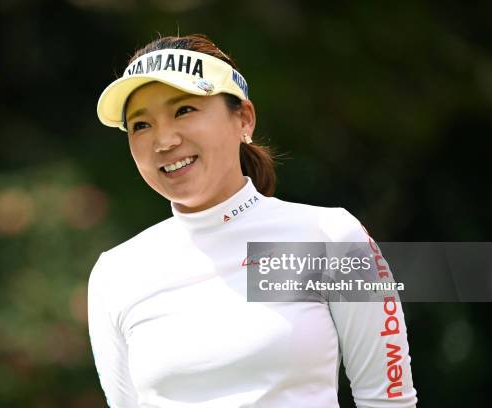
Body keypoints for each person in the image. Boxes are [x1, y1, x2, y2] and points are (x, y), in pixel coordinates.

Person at [88, 34, 417, 407]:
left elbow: (389, 400)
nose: (163, 141)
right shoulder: (116, 274)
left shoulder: (328, 236)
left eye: (184, 111)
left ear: (243, 119)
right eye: (140, 125)